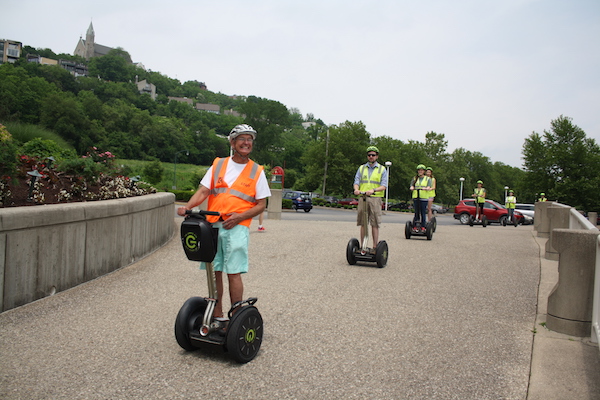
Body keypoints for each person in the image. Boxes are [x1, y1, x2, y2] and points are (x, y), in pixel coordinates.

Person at [177, 124, 271, 319]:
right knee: (215, 272)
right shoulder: (218, 165)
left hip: (237, 227)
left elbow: (261, 204)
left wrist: (240, 217)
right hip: (212, 226)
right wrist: (187, 208)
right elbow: (203, 191)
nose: (246, 143)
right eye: (242, 139)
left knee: (233, 272)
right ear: (232, 142)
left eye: (250, 139)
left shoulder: (257, 171)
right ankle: (217, 314)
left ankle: (236, 316)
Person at [353, 145, 388, 248]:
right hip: (363, 198)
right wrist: (356, 189)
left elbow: (384, 186)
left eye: (373, 155)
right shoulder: (362, 168)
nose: (371, 157)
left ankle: (375, 246)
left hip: (375, 198)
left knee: (375, 223)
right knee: (363, 223)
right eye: (369, 155)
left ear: (377, 156)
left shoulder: (382, 169)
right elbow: (356, 181)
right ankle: (363, 246)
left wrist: (373, 190)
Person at [409, 164, 432, 232]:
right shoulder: (415, 178)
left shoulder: (428, 179)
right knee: (416, 212)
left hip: (423, 198)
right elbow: (411, 185)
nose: (420, 171)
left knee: (423, 212)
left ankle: (423, 226)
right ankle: (415, 226)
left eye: (422, 170)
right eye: (419, 170)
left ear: (424, 171)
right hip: (416, 197)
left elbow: (429, 186)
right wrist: (412, 187)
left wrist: (426, 188)